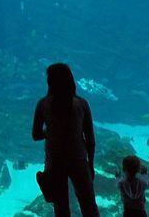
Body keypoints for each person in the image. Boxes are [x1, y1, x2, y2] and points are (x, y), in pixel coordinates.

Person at [32, 62, 100, 217]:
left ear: (50, 82)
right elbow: (90, 138)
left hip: (54, 161)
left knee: (61, 207)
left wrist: (49, 132)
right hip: (79, 159)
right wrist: (91, 164)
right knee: (89, 205)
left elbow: (35, 135)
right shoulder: (81, 104)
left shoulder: (43, 104)